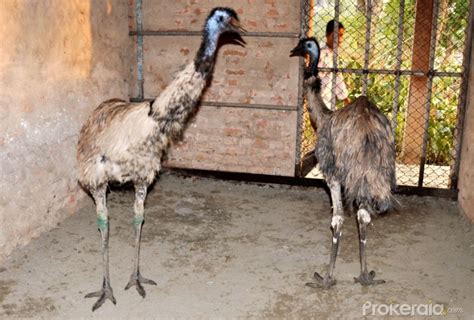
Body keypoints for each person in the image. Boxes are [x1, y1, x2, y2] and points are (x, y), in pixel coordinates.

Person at [318, 20, 350, 110]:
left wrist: (345, 99)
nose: (340, 40)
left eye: (341, 36)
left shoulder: (332, 54)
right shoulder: (321, 54)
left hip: (328, 101)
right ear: (329, 35)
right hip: (320, 101)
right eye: (337, 35)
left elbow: (337, 77)